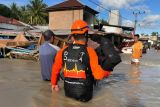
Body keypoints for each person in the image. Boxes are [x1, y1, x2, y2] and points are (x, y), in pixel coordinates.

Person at [51, 20, 111, 102]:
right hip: (85, 94)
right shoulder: (90, 51)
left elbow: (55, 70)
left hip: (68, 92)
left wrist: (54, 84)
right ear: (86, 34)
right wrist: (108, 71)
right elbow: (98, 75)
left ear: (72, 35)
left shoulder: (62, 51)